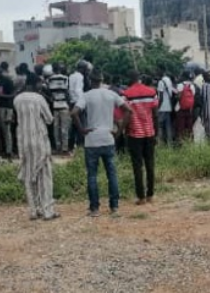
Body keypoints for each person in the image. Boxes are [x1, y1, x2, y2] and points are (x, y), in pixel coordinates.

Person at [72, 70, 133, 218]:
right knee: (111, 174)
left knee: (92, 175)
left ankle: (94, 209)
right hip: (108, 138)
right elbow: (129, 110)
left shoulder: (86, 96)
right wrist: (119, 131)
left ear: (89, 80)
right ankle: (114, 207)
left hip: (92, 140)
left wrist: (82, 130)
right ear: (102, 79)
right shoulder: (111, 94)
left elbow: (74, 113)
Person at [14, 73, 58, 221]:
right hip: (39, 140)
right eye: (40, 83)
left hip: (23, 141)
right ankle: (48, 211)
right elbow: (49, 119)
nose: (42, 86)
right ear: (35, 84)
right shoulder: (39, 98)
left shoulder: (17, 99)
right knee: (44, 175)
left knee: (29, 175)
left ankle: (33, 210)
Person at [123, 70, 158, 205]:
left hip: (134, 134)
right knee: (150, 164)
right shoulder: (151, 92)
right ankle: (150, 195)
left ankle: (141, 197)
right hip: (149, 133)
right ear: (139, 79)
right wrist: (156, 133)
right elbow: (155, 114)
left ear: (130, 79)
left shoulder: (127, 94)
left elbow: (126, 115)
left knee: (137, 166)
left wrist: (124, 131)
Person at [0, 63, 16, 161]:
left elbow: (13, 95)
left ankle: (9, 153)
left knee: (6, 131)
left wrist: (0, 96)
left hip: (6, 108)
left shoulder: (8, 81)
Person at [46, 64, 71, 155]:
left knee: (56, 128)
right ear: (60, 69)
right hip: (64, 105)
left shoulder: (49, 79)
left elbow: (49, 91)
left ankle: (58, 148)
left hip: (54, 106)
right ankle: (65, 148)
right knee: (64, 128)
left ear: (53, 69)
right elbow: (67, 91)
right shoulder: (65, 78)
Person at [68, 60, 91, 152]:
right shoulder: (80, 77)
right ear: (82, 69)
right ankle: (81, 146)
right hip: (78, 103)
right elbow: (78, 90)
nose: (86, 71)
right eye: (86, 69)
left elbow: (70, 90)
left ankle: (70, 146)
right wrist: (83, 101)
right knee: (82, 125)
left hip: (72, 102)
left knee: (74, 126)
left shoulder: (71, 76)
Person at [175, 71, 198, 143]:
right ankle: (190, 142)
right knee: (189, 127)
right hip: (189, 109)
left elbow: (178, 97)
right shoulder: (192, 86)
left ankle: (181, 143)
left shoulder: (179, 85)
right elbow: (193, 96)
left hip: (180, 109)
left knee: (181, 127)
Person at [156, 71, 177, 145]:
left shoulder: (161, 82)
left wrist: (158, 107)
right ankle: (169, 144)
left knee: (160, 126)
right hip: (168, 107)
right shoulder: (168, 80)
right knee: (168, 126)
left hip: (162, 107)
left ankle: (160, 144)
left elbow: (161, 97)